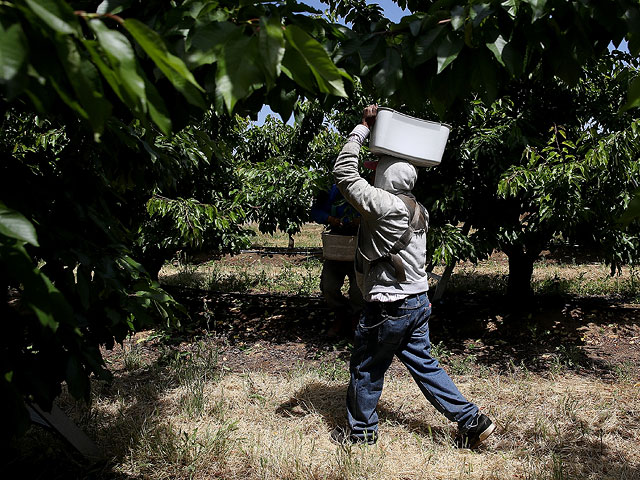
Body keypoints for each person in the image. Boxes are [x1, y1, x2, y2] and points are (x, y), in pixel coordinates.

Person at [330, 105, 495, 449]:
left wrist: (362, 128)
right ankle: (471, 420)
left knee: (366, 368)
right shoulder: (420, 209)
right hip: (418, 301)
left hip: (390, 306)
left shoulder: (384, 205)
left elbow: (345, 174)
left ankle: (360, 436)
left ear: (385, 179)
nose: (373, 174)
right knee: (425, 364)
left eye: (378, 171)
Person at [311, 184, 364, 337]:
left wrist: (360, 221)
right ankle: (341, 314)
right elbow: (315, 211)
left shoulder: (362, 187)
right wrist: (329, 219)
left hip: (358, 244)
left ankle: (356, 317)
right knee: (328, 287)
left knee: (358, 291)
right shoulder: (329, 189)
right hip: (336, 245)